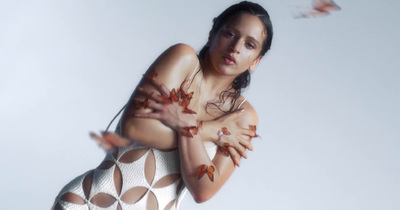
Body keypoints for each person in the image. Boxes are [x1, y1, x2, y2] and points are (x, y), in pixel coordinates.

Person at [52, 1, 273, 209]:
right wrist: (212, 130)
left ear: (256, 61)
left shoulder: (241, 116)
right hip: (88, 202)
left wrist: (185, 123)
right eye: (230, 33)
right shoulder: (183, 59)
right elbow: (135, 129)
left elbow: (202, 190)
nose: (235, 47)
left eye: (249, 44)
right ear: (212, 34)